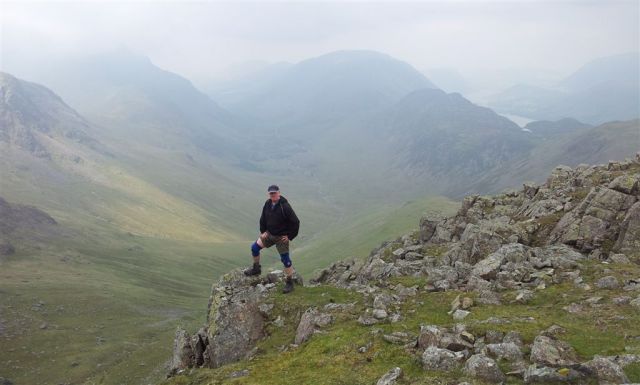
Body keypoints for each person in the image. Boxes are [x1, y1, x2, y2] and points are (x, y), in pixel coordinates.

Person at [244, 184, 300, 294]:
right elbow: (263, 218)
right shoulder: (268, 203)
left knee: (286, 260)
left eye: (274, 193)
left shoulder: (285, 207)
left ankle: (289, 282)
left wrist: (289, 236)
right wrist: (263, 231)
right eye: (271, 193)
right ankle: (256, 268)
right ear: (269, 194)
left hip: (281, 238)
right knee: (254, 248)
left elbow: (296, 222)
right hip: (269, 234)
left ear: (279, 193)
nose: (273, 195)